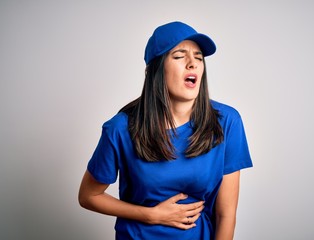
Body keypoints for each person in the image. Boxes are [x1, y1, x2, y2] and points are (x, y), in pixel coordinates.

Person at [78, 21, 253, 240]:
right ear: (157, 69)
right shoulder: (120, 128)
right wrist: (151, 215)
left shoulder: (227, 121)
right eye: (180, 56)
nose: (193, 64)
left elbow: (226, 214)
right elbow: (88, 195)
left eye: (198, 58)